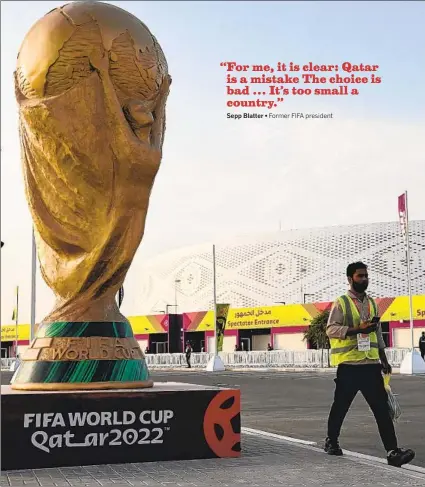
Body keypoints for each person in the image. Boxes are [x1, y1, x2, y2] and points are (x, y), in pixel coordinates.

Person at [325, 261, 415, 468]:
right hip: (349, 366)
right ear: (350, 279)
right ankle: (332, 441)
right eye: (360, 276)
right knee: (340, 407)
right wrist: (357, 329)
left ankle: (393, 452)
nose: (364, 279)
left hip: (371, 365)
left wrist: (384, 360)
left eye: (366, 275)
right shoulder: (342, 303)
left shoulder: (373, 303)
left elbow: (377, 334)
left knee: (381, 410)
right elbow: (331, 330)